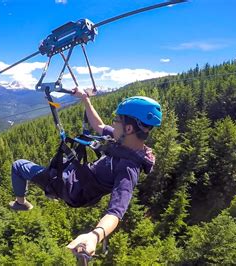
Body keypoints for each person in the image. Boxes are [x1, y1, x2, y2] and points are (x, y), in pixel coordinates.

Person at [8, 87, 161, 256]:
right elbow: (99, 125)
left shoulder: (128, 168)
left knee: (18, 165)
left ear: (129, 129)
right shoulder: (124, 142)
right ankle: (50, 189)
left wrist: (95, 236)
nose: (113, 123)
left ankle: (21, 203)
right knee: (60, 162)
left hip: (72, 190)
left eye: (116, 120)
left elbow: (116, 212)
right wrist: (84, 99)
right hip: (78, 177)